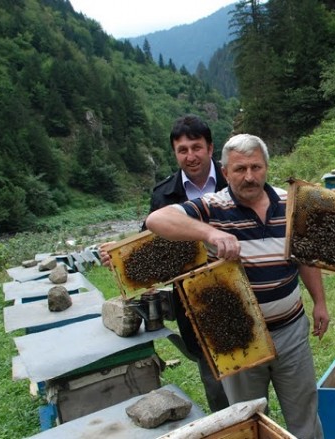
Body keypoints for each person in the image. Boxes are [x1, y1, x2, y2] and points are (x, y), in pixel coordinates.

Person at [145, 133, 329, 439]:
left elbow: (306, 258)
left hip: (291, 330)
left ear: (266, 168)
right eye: (240, 169)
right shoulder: (211, 207)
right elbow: (157, 219)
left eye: (256, 167)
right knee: (248, 420)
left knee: (305, 414)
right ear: (225, 171)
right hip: (236, 336)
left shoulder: (291, 203)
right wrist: (210, 234)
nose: (249, 176)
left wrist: (320, 302)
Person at [100, 114, 230, 413]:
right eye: (182, 150)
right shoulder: (163, 194)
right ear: (174, 152)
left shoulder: (234, 178)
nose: (190, 156)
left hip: (245, 283)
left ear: (210, 148)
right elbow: (152, 248)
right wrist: (119, 257)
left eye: (196, 147)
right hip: (193, 299)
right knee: (214, 379)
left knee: (256, 366)